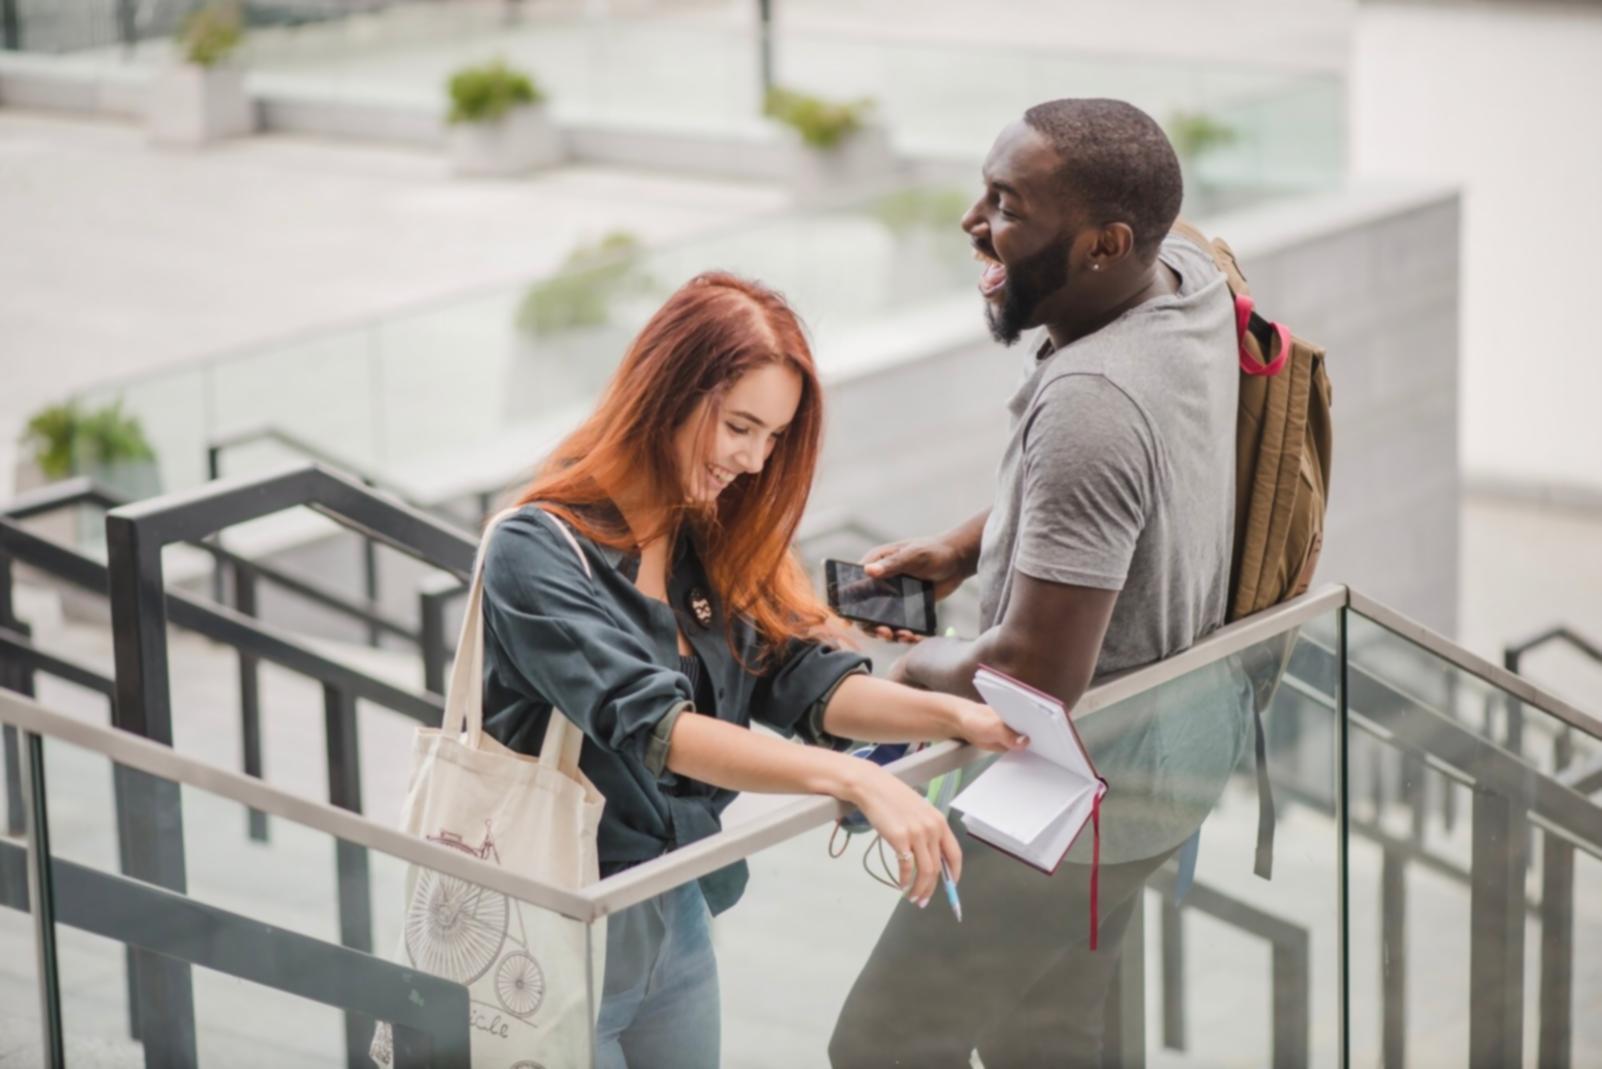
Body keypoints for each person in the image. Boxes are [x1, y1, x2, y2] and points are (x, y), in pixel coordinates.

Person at [479, 270, 1025, 1069]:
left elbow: (803, 679)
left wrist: (954, 716)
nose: (753, 459)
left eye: (772, 438)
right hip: (558, 918)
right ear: (667, 389)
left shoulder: (705, 535)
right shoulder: (532, 551)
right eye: (740, 425)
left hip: (676, 903)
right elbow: (659, 729)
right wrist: (855, 780)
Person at [828, 98, 1251, 1067]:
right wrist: (963, 549)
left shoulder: (1091, 403)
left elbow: (1031, 680)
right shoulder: (1187, 280)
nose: (973, 221)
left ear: (1105, 245)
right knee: (1051, 1040)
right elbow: (1116, 489)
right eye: (985, 189)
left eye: (1008, 206)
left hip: (1074, 792)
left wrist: (891, 679)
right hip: (1171, 766)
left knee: (882, 1044)